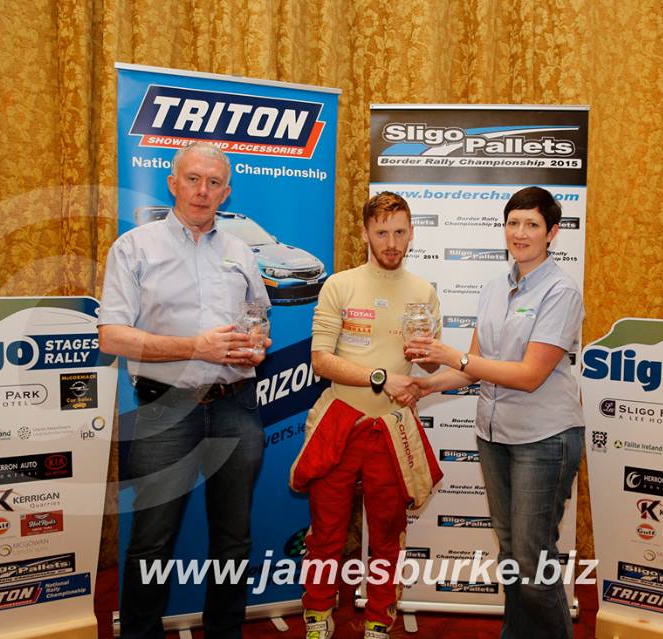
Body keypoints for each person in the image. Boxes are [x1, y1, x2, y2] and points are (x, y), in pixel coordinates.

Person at [98, 142, 271, 639]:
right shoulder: (135, 247)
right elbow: (111, 337)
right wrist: (195, 347)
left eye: (214, 183)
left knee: (234, 540)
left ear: (226, 192)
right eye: (193, 179)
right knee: (152, 542)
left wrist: (256, 345)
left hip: (236, 408)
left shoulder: (240, 251)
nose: (202, 191)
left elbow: (258, 319)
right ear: (172, 183)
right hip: (164, 409)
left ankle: (225, 631)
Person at [407, 186, 584, 639]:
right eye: (513, 223)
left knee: (533, 562)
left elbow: (529, 375)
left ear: (552, 233)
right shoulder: (492, 289)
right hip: (494, 436)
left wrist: (453, 356)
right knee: (510, 555)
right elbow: (474, 368)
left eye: (532, 224)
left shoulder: (561, 291)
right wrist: (425, 385)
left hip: (544, 438)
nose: (520, 233)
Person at [289, 192, 443, 639]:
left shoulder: (423, 292)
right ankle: (318, 614)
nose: (391, 242)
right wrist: (381, 377)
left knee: (388, 536)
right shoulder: (340, 285)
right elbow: (321, 361)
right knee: (326, 534)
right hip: (340, 422)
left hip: (392, 429)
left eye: (399, 232)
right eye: (381, 232)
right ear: (365, 234)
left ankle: (378, 620)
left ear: (412, 233)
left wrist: (428, 358)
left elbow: (429, 367)